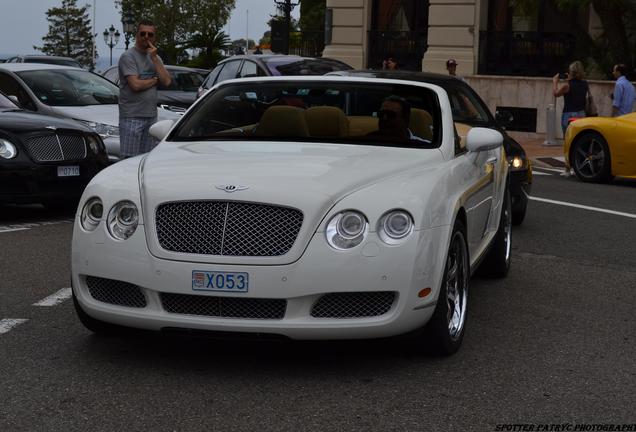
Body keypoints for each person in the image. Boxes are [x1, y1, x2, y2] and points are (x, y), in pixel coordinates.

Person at [118, 20, 171, 158]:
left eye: (150, 34)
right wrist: (154, 80)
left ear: (155, 38)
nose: (146, 37)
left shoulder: (155, 57)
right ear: (137, 35)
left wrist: (154, 59)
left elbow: (166, 81)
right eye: (143, 33)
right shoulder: (128, 57)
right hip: (132, 117)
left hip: (151, 117)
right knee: (130, 161)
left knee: (146, 159)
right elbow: (135, 85)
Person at [553, 61, 588, 177]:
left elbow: (556, 94)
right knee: (580, 141)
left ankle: (568, 169)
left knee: (568, 142)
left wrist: (555, 82)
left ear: (571, 72)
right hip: (582, 114)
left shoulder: (567, 85)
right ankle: (580, 167)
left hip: (569, 115)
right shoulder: (585, 84)